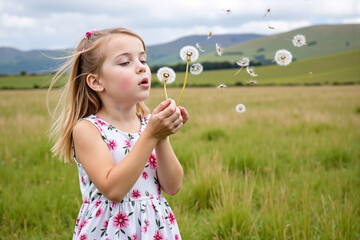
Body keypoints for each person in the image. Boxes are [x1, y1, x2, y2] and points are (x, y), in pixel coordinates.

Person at [48, 27, 188, 240]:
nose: (141, 68)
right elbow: (113, 189)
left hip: (154, 230)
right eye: (125, 62)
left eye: (143, 60)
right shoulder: (88, 129)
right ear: (96, 82)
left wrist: (161, 136)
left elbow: (173, 186)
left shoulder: (147, 124)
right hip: (110, 231)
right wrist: (151, 134)